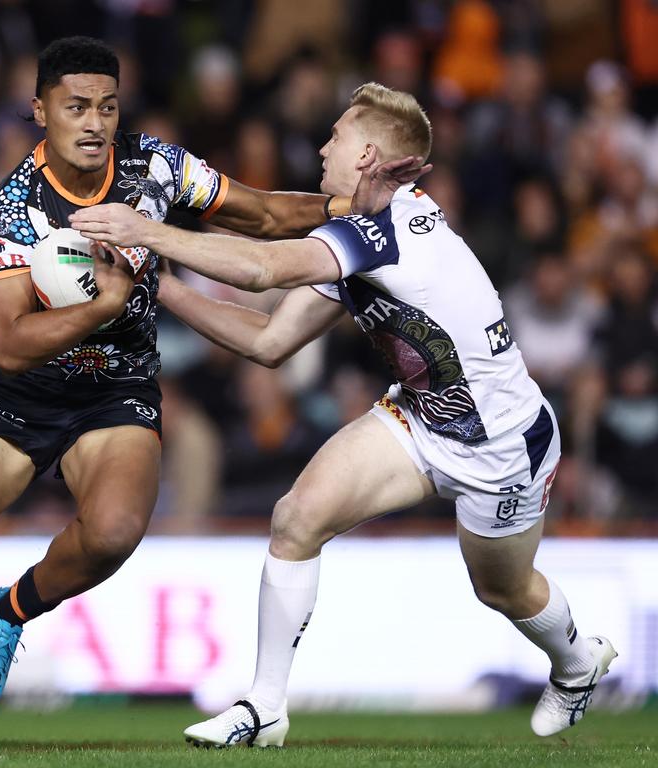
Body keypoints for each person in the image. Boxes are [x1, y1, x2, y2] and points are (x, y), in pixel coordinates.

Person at [0, 38, 425, 755]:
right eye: (75, 106)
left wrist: (356, 204)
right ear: (40, 111)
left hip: (116, 389)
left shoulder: (156, 167)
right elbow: (5, 344)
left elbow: (265, 217)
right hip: (22, 392)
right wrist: (103, 305)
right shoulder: (13, 209)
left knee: (116, 533)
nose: (93, 122)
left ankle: (9, 609)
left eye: (107, 106)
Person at [70, 81, 617, 747]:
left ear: (366, 155)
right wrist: (153, 283)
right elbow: (269, 343)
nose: (323, 146)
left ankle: (577, 663)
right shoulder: (354, 237)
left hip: (502, 445)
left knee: (501, 590)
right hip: (421, 419)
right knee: (296, 518)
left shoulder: (387, 233)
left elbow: (261, 269)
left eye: (337, 134)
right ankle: (265, 707)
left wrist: (148, 233)